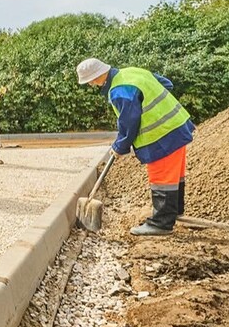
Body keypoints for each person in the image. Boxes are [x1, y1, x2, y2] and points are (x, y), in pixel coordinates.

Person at [76, 58, 194, 236]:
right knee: (174, 177)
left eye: (91, 81)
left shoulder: (119, 90)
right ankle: (172, 213)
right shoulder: (132, 72)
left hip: (161, 135)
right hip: (176, 127)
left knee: (162, 179)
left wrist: (119, 145)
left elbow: (129, 122)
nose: (92, 85)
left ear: (99, 75)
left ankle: (161, 224)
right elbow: (166, 84)